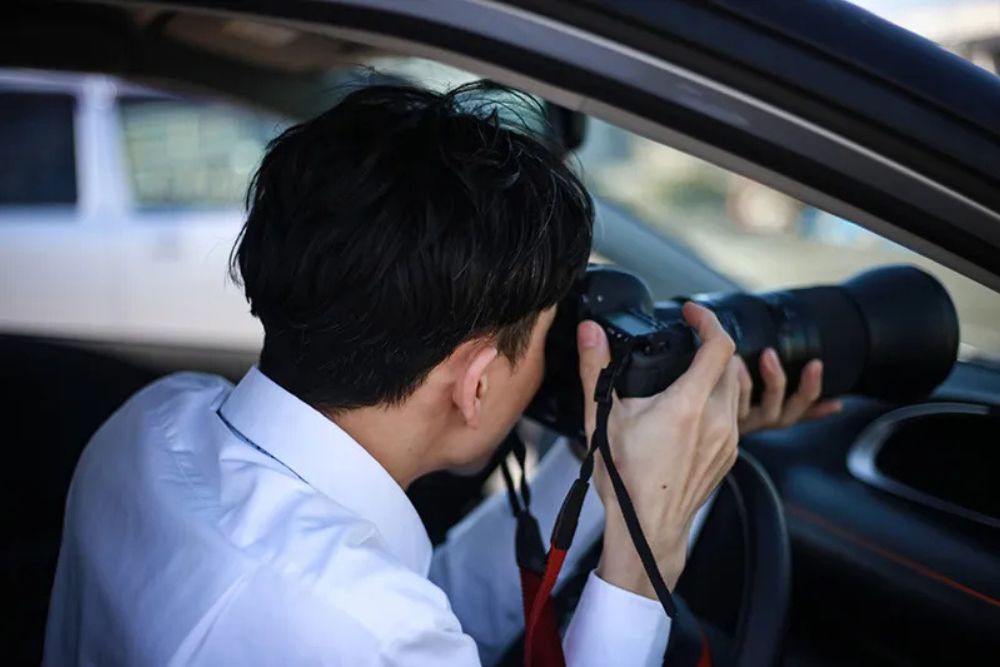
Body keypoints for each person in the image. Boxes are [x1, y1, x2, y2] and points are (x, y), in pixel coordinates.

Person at [44, 82, 840, 666]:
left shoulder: (152, 425)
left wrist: (612, 463)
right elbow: (387, 621)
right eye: (546, 339)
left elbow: (436, 600)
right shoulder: (364, 631)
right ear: (477, 382)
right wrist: (644, 551)